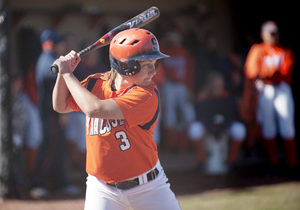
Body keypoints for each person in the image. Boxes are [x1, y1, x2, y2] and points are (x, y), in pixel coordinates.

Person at [52, 28, 181, 210]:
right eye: (146, 64)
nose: (153, 71)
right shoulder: (96, 82)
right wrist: (61, 75)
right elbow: (60, 106)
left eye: (154, 63)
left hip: (148, 187)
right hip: (102, 188)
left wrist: (67, 74)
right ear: (125, 65)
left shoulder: (147, 95)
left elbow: (94, 109)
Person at [241, 21, 296, 172]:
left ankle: (291, 164)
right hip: (265, 89)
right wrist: (272, 70)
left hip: (282, 89)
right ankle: (273, 163)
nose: (273, 37)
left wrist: (264, 71)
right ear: (263, 34)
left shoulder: (284, 51)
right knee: (268, 126)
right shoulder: (258, 49)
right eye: (270, 34)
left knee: (287, 126)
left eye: (275, 33)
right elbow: (252, 71)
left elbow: (285, 71)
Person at [35, 28, 80, 197]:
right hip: (52, 114)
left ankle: (58, 183)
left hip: (48, 113)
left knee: (55, 149)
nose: (63, 47)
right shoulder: (51, 61)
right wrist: (63, 114)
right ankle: (39, 183)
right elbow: (59, 89)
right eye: (60, 43)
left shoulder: (44, 58)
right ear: (54, 44)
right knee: (51, 149)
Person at [188, 71, 246, 174]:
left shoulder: (228, 97)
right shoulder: (204, 98)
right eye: (215, 85)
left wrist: (221, 128)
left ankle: (231, 162)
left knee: (240, 130)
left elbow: (232, 116)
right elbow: (200, 116)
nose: (217, 87)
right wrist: (212, 128)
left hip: (224, 126)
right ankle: (202, 162)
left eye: (219, 85)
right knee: (194, 130)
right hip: (208, 127)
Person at [160, 31, 196, 151]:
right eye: (173, 36)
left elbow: (190, 72)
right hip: (169, 84)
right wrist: (166, 40)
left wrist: (190, 89)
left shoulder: (185, 52)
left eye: (177, 36)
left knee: (189, 114)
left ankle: (191, 143)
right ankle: (172, 145)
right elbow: (154, 51)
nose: (175, 39)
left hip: (182, 85)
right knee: (169, 115)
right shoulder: (165, 50)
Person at [11, 74, 43, 198]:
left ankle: (23, 186)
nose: (16, 86)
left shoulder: (22, 100)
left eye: (18, 83)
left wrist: (15, 139)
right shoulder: (5, 97)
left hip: (17, 137)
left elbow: (19, 128)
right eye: (14, 83)